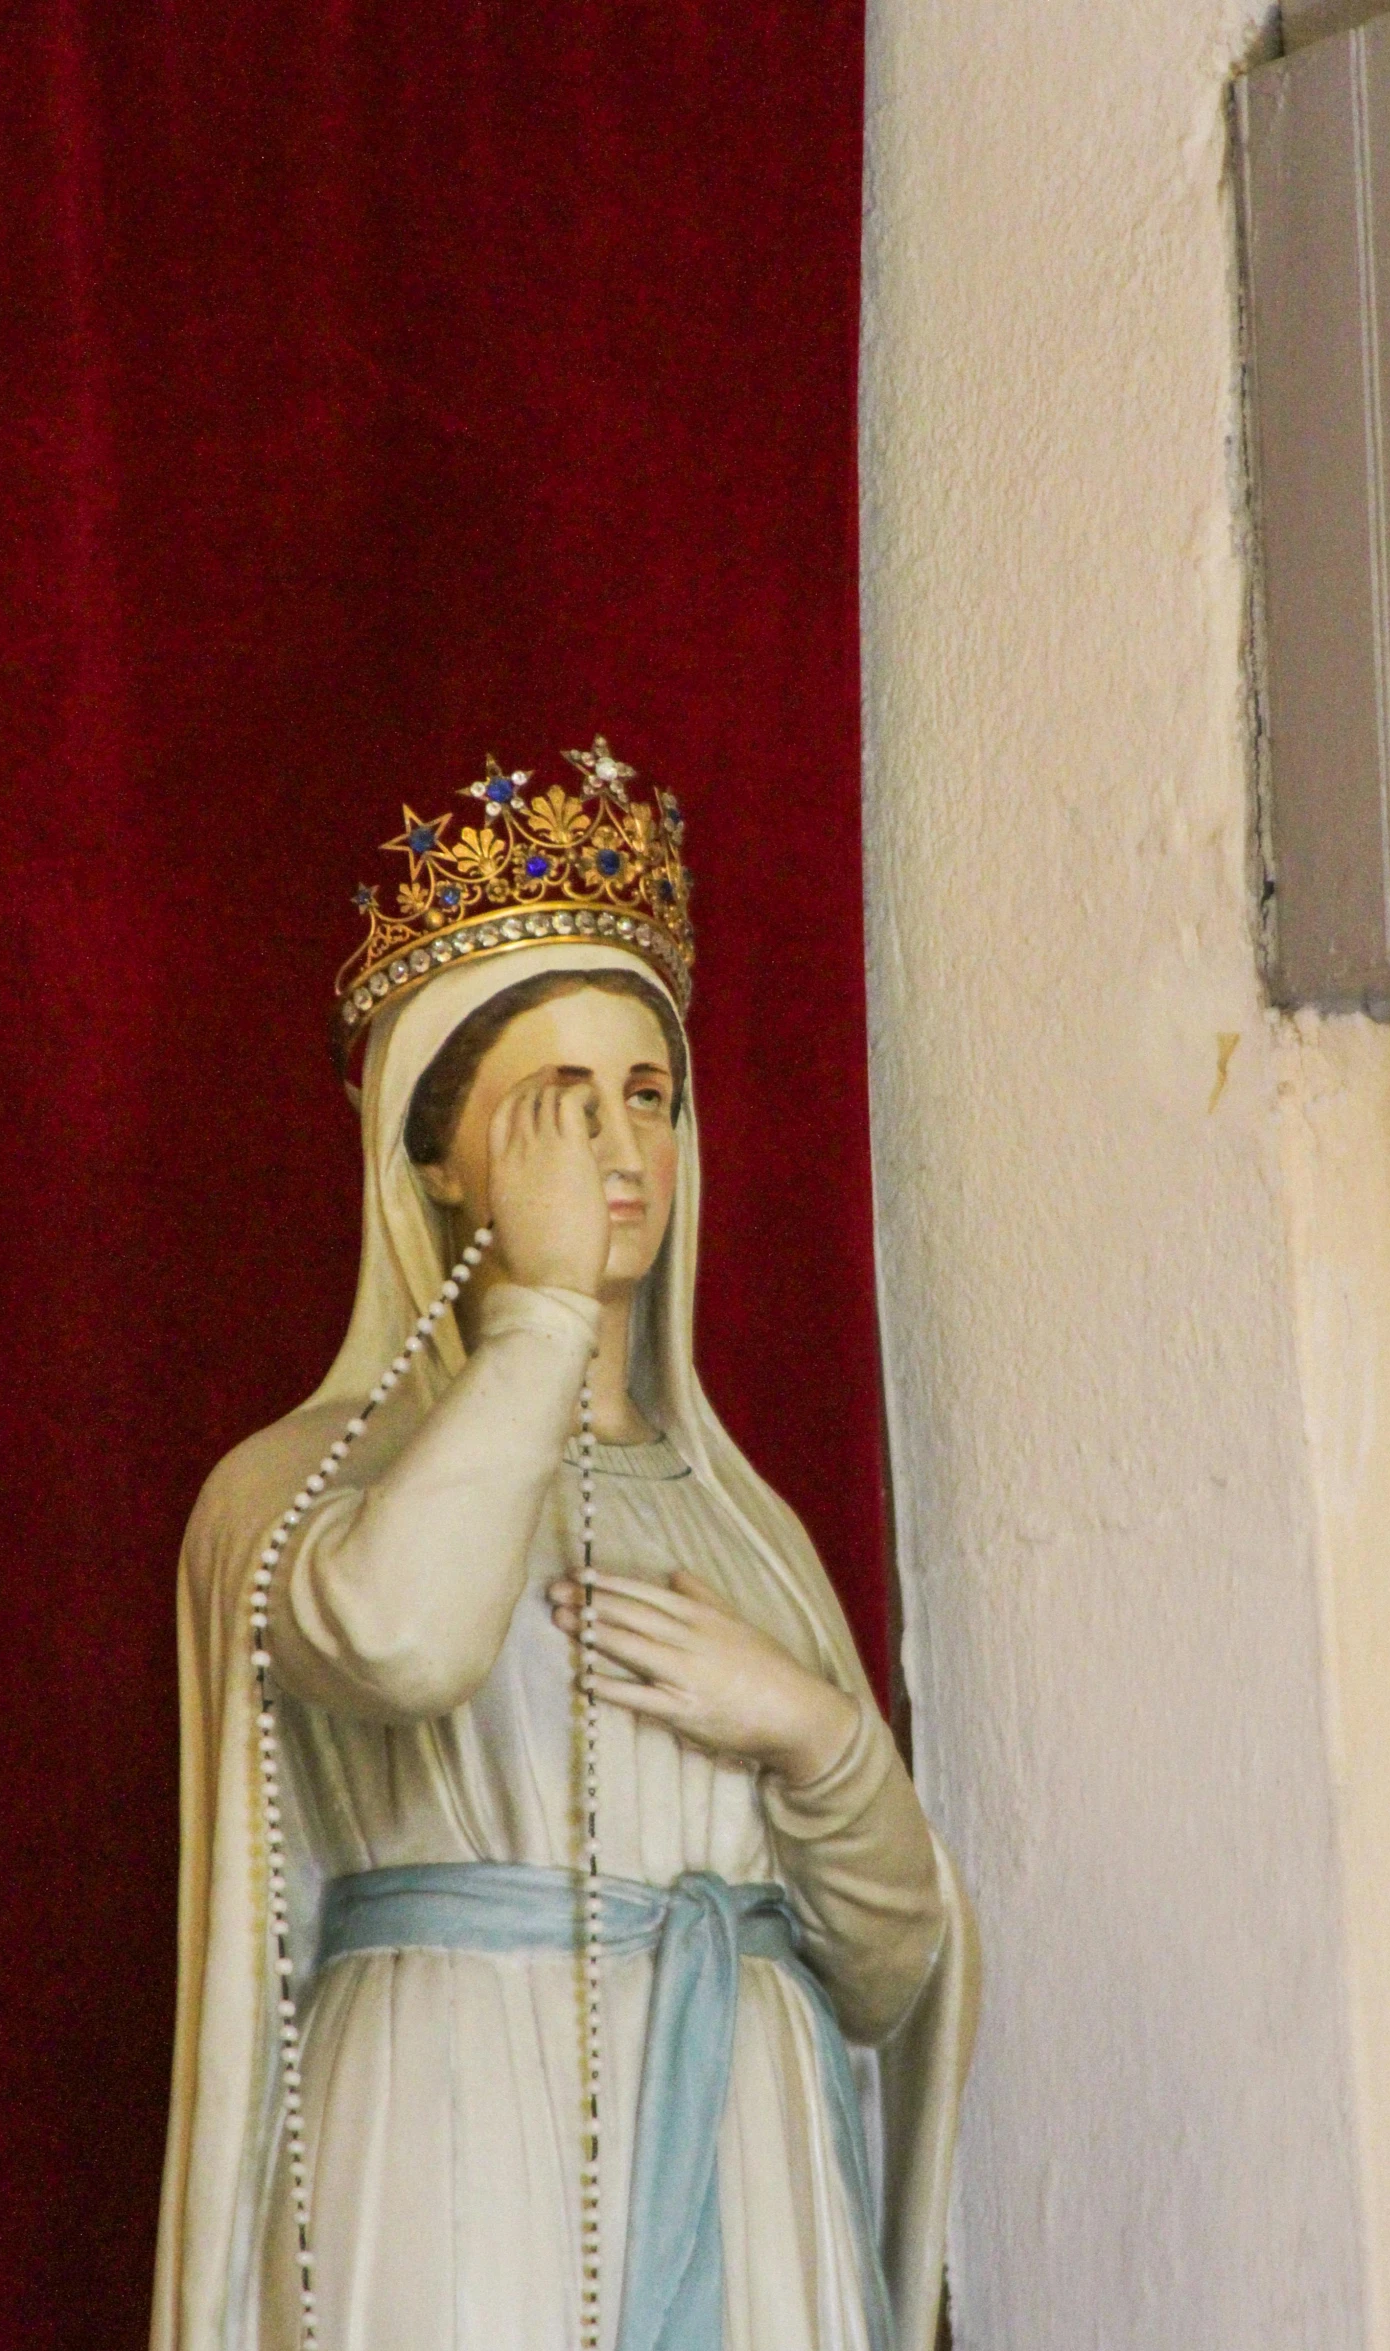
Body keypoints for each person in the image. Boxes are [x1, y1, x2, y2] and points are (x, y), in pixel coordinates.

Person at [151, 809, 977, 2351]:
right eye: (556, 1103)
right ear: (439, 1158)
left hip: (745, 2147)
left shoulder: (747, 1522)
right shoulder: (296, 1480)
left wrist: (814, 1735)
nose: (618, 1148)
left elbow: (886, 1968)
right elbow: (402, 1640)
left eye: (649, 1096)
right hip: (455, 2135)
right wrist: (530, 1318)